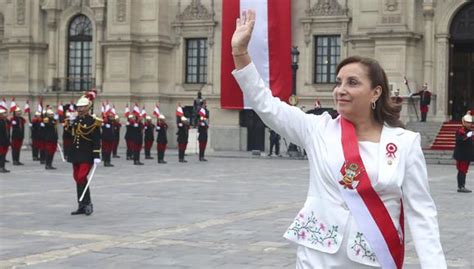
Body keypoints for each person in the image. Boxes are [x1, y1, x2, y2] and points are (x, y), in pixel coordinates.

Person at [230, 9, 445, 268]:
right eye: (338, 82)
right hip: (317, 257)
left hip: (371, 259)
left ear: (376, 92)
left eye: (352, 83)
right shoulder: (317, 129)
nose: (340, 90)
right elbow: (266, 105)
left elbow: (421, 214)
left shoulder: (404, 143)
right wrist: (240, 53)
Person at [65, 90, 101, 216]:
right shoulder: (75, 120)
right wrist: (69, 124)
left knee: (81, 177)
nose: (79, 109)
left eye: (82, 107)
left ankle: (87, 203)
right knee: (77, 178)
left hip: (87, 154)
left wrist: (96, 155)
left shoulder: (93, 121)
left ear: (88, 107)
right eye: (78, 107)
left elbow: (96, 140)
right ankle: (81, 205)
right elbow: (69, 136)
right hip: (76, 154)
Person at [453, 111, 473, 193]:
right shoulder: (460, 131)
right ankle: (461, 186)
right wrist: (466, 137)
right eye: (467, 123)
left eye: (470, 123)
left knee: (464, 170)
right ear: (463, 122)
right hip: (461, 154)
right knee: (462, 170)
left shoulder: (470, 131)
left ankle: (462, 185)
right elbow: (459, 141)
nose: (469, 124)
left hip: (467, 154)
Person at [0, 107, 10, 173]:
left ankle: (3, 167)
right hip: (1, 141)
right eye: (4, 113)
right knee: (1, 155)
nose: (5, 114)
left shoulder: (5, 121)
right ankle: (1, 167)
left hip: (5, 140)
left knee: (3, 154)